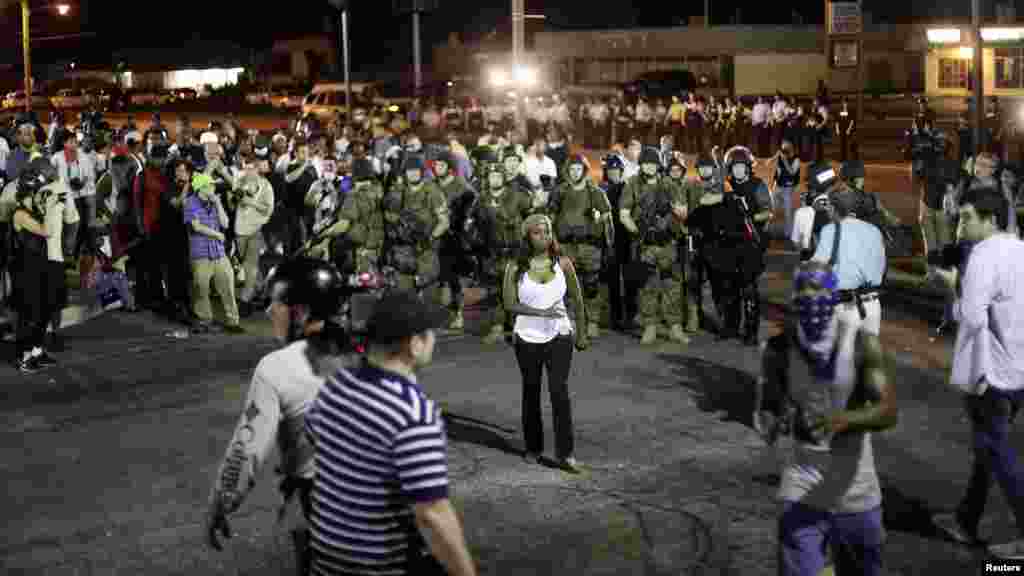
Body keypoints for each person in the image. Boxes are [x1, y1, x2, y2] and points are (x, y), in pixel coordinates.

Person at [305, 289, 478, 576]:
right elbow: (432, 513)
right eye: (429, 333)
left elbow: (315, 437)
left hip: (326, 556)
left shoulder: (337, 384)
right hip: (378, 564)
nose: (433, 339)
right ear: (415, 345)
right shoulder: (413, 414)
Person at [754, 260, 898, 576]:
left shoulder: (862, 345)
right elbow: (768, 411)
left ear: (834, 296)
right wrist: (770, 423)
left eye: (818, 288)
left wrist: (843, 420)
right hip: (802, 482)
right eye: (802, 289)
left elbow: (888, 411)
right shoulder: (777, 350)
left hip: (855, 485)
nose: (810, 296)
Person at [204, 258, 347, 570]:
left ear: (302, 311)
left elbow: (246, 451)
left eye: (277, 302)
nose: (268, 311)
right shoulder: (370, 352)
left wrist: (222, 502)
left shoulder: (277, 367)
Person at [929, 186, 1024, 560]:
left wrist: (954, 289)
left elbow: (969, 316)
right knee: (988, 448)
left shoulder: (984, 256)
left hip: (994, 372)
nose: (960, 223)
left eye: (968, 217)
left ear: (992, 220)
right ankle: (966, 519)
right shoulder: (1020, 250)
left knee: (995, 449)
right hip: (1020, 366)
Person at [504, 213, 588, 473]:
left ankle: (566, 453)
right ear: (527, 236)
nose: (545, 235)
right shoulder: (515, 266)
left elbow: (577, 299)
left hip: (559, 335)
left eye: (548, 231)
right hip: (527, 337)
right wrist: (541, 313)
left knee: (559, 392)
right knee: (531, 392)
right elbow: (509, 304)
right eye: (538, 232)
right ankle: (533, 447)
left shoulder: (563, 263)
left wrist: (582, 333)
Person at [812, 169, 886, 337]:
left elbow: (818, 269)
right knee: (871, 358)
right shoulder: (874, 230)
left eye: (830, 206)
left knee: (843, 357)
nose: (828, 209)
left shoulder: (830, 230)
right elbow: (880, 270)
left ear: (835, 209)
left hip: (845, 305)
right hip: (873, 304)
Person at [548, 154, 613, 338]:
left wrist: (608, 245)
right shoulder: (560, 192)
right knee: (567, 287)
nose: (575, 173)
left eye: (578, 169)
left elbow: (608, 220)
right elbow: (550, 220)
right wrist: (553, 243)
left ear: (584, 170)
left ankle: (592, 321)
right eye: (572, 169)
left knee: (591, 286)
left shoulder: (596, 193)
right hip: (566, 246)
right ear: (567, 171)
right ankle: (571, 321)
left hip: (590, 247)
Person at [11, 158, 59, 373]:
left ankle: (37, 351)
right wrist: (50, 204)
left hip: (40, 264)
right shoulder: (20, 214)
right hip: (25, 268)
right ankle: (24, 356)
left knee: (44, 309)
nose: (39, 196)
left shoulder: (33, 210)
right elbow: (47, 230)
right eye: (35, 193)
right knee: (29, 312)